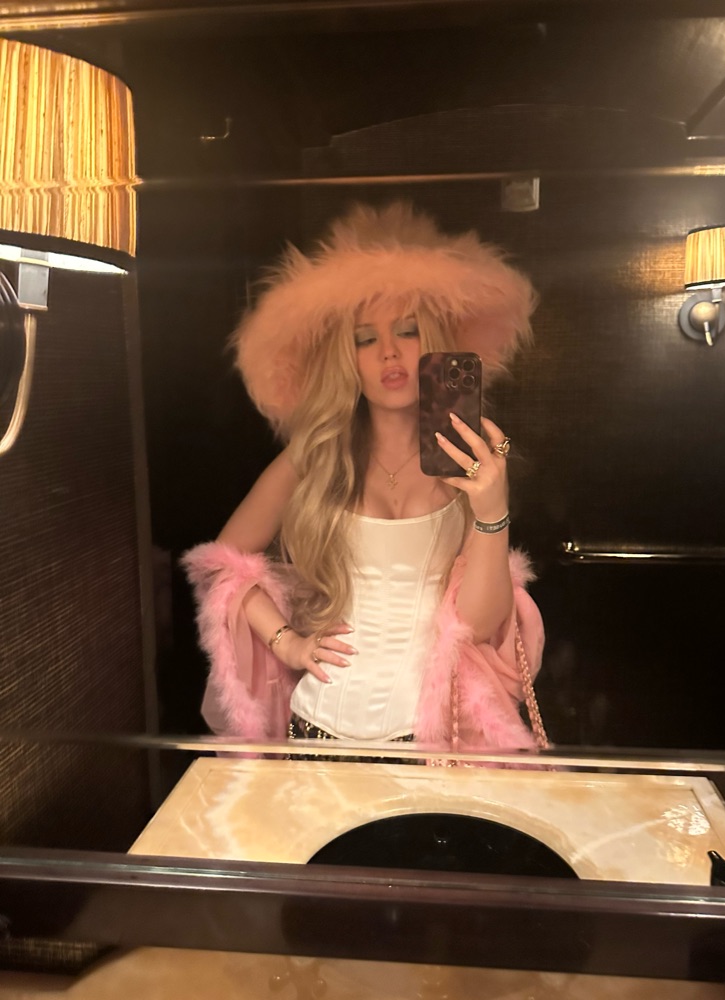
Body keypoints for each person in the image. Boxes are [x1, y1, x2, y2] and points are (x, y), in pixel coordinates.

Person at [182, 201, 549, 756]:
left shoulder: (469, 462)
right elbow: (221, 564)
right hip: (317, 726)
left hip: (428, 736)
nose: (390, 353)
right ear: (346, 357)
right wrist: (287, 643)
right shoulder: (315, 457)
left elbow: (476, 625)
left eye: (407, 331)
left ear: (434, 344)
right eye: (365, 338)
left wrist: (492, 511)